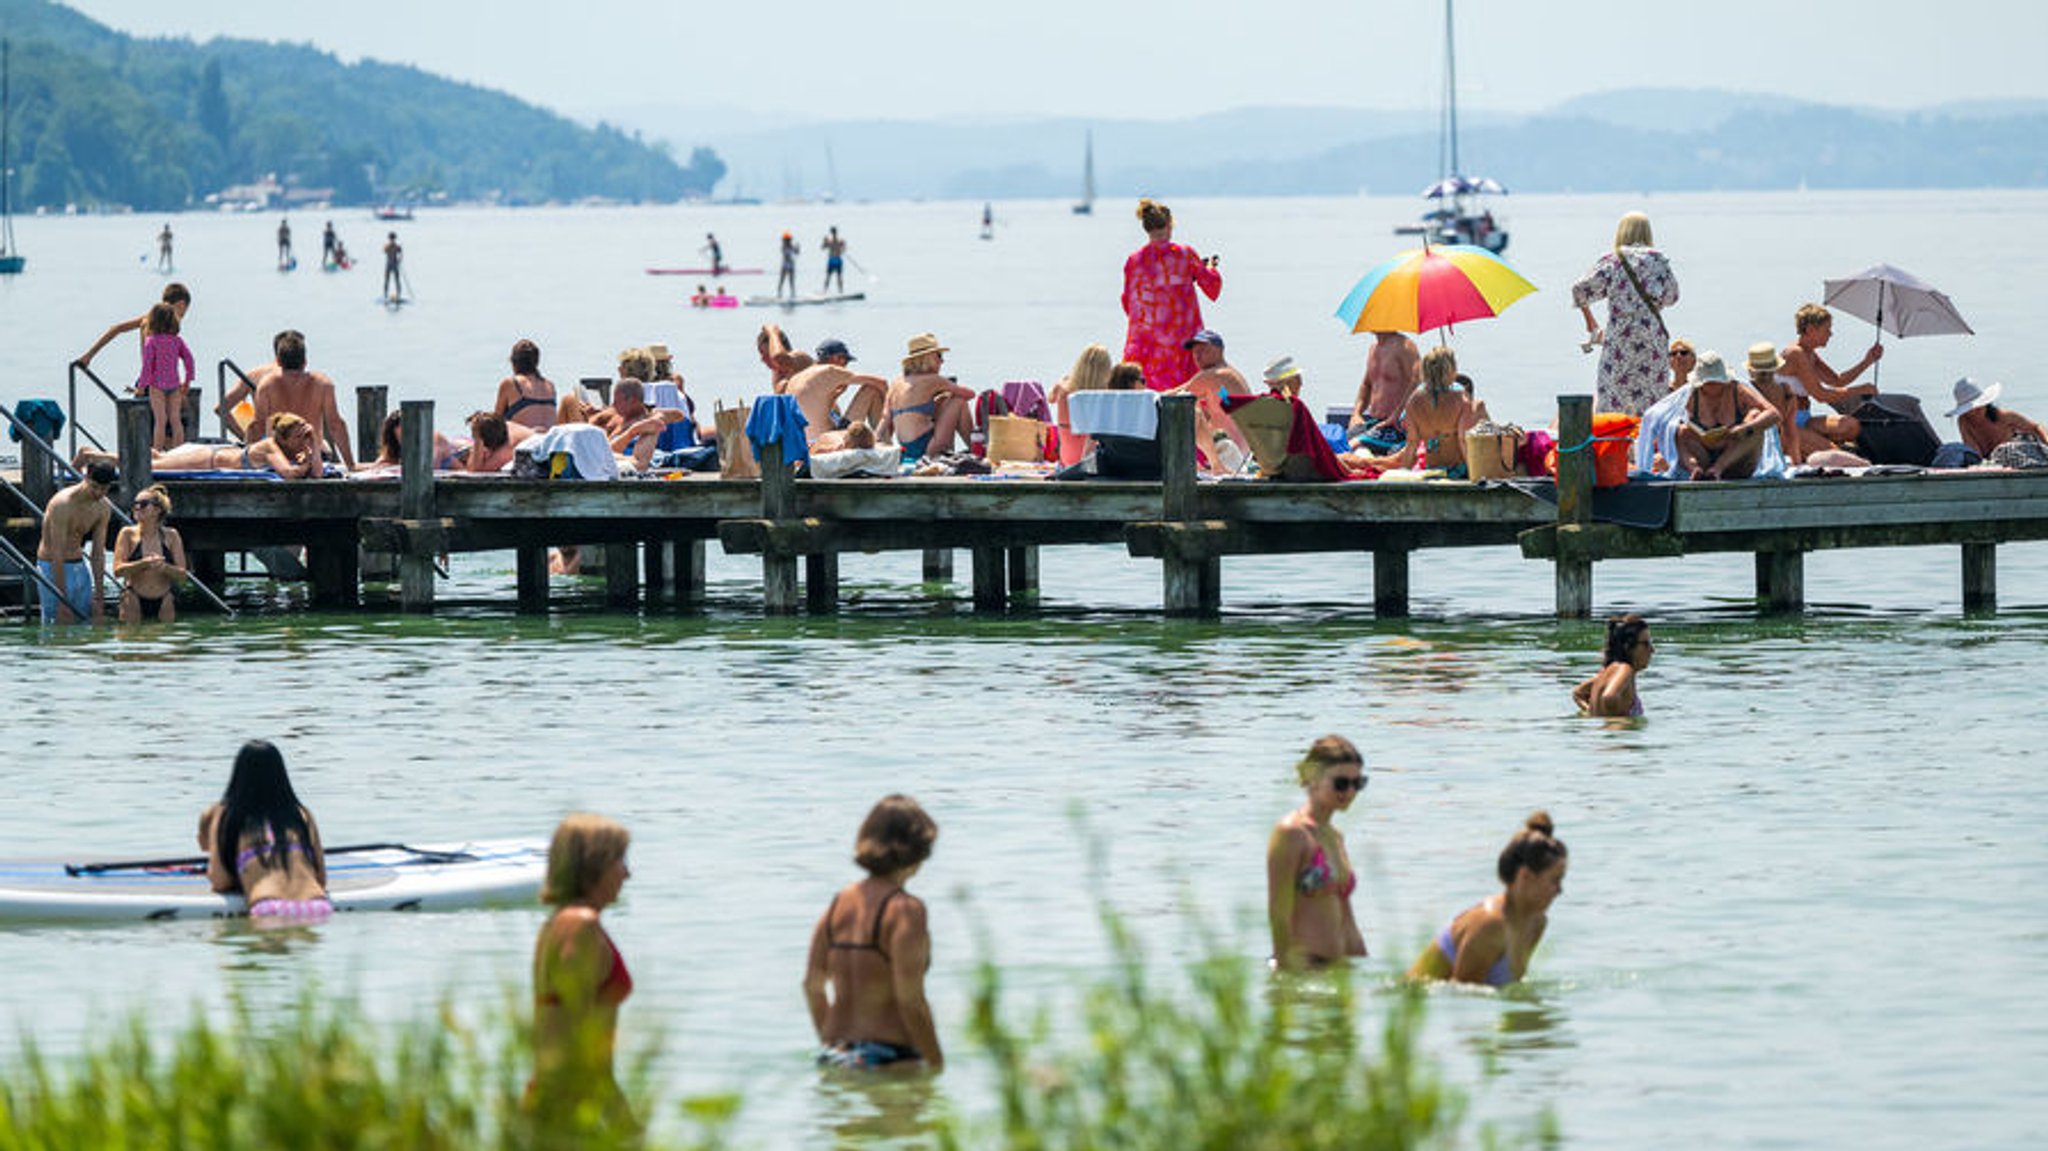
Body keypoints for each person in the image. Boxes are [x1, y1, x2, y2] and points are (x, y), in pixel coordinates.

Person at [804, 795, 943, 1072]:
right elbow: (910, 1000)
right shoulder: (905, 909)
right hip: (891, 1057)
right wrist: (936, 1064)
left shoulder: (838, 904)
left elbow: (812, 986)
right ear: (917, 850)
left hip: (834, 1055)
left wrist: (834, 1043)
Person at [529, 813, 638, 1136]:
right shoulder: (580, 926)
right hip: (568, 1105)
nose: (627, 874)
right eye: (620, 860)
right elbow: (574, 1041)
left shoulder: (558, 923)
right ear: (595, 864)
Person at [1409, 812, 1568, 988]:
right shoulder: (1489, 925)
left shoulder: (1537, 923)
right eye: (1555, 880)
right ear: (1526, 876)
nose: (1560, 890)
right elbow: (1462, 999)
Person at [1265, 735, 1370, 970]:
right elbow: (1278, 914)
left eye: (1358, 783)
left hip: (1341, 969)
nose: (1350, 791)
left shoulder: (1335, 837)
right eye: (1341, 783)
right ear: (1313, 778)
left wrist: (1363, 966)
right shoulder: (1291, 833)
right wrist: (1285, 976)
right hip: (1304, 969)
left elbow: (1346, 915)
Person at [197, 739, 330, 920]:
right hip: (316, 905)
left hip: (269, 907)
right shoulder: (302, 814)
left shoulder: (227, 816)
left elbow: (220, 882)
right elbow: (321, 879)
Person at [1572, 211, 1679, 415]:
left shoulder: (1612, 260)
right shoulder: (1658, 260)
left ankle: (1615, 442)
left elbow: (1579, 290)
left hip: (1619, 338)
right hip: (1651, 339)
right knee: (1652, 400)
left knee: (1615, 398)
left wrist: (1591, 322)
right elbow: (1672, 297)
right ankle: (1648, 443)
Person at [1120, 198, 1222, 393]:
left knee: (1148, 401)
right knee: (1186, 401)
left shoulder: (1134, 261)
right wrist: (1211, 268)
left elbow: (1128, 304)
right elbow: (1212, 288)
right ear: (1169, 225)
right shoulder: (1185, 254)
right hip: (1182, 345)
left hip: (1145, 346)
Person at [1352, 345, 1489, 477]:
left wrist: (1405, 473)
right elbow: (1463, 441)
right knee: (1479, 407)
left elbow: (1412, 445)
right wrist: (1475, 475)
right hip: (1457, 470)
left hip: (1431, 469)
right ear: (1451, 370)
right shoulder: (1462, 400)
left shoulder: (1414, 401)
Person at [76, 412, 327, 479]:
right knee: (155, 464)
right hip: (209, 459)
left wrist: (312, 446)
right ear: (283, 438)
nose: (302, 441)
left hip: (213, 456)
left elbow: (317, 472)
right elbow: (289, 475)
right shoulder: (272, 446)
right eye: (298, 437)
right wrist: (312, 448)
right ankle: (90, 455)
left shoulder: (292, 450)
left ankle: (96, 454)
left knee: (157, 456)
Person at [1777, 303, 1879, 460]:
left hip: (1804, 417)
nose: (1831, 334)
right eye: (1827, 329)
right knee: (1838, 456)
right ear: (1811, 330)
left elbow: (1837, 381)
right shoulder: (1795, 354)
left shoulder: (1809, 353)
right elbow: (1821, 395)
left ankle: (1811, 446)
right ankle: (1814, 447)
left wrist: (1868, 360)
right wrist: (1859, 390)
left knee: (1851, 426)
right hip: (1785, 425)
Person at [251, 330, 355, 469]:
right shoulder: (322, 383)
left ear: (278, 361)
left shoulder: (267, 385)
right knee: (324, 446)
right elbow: (336, 425)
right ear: (305, 362)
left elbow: (257, 426)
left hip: (281, 458)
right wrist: (350, 464)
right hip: (313, 456)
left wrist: (249, 459)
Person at [1671, 351, 1781, 480]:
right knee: (1680, 430)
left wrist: (1745, 428)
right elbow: (1658, 416)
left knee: (1755, 416)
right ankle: (1695, 469)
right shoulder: (1691, 395)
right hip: (1705, 458)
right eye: (1708, 383)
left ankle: (1718, 469)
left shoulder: (1738, 390)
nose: (1712, 387)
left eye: (1716, 382)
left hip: (1737, 460)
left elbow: (1774, 414)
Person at [35, 461, 115, 625]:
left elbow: (98, 553)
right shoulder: (63, 504)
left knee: (85, 625)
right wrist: (61, 598)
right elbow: (58, 552)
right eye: (94, 487)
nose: (98, 493)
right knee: (56, 626)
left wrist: (99, 596)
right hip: (52, 567)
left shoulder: (103, 507)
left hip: (79, 567)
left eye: (104, 489)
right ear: (86, 477)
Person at [881, 333, 975, 460]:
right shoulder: (932, 380)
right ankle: (976, 448)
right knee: (958, 401)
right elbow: (970, 394)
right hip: (927, 447)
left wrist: (876, 442)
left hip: (907, 450)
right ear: (928, 358)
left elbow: (885, 418)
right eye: (939, 356)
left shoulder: (896, 383)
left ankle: (972, 448)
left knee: (943, 400)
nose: (942, 361)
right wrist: (946, 391)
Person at [76, 282, 191, 379]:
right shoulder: (165, 324)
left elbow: (116, 329)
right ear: (181, 305)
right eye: (185, 309)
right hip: (158, 384)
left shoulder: (148, 318)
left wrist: (89, 355)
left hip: (147, 379)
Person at [113, 484, 187, 623]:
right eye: (135, 504)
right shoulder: (127, 534)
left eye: (143, 504)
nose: (137, 508)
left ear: (157, 510)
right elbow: (118, 571)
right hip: (133, 597)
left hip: (164, 598)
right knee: (131, 639)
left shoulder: (171, 536)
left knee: (165, 640)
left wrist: (164, 567)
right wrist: (143, 564)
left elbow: (182, 574)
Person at [137, 301, 196, 451]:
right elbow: (189, 360)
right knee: (176, 420)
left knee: (160, 420)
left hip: (157, 386)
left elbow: (147, 367)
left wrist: (141, 387)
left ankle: (156, 452)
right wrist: (188, 380)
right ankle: (180, 452)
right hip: (174, 385)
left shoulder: (151, 342)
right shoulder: (177, 341)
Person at [1347, 331, 1421, 449]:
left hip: (1397, 426)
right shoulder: (1373, 348)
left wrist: (1397, 415)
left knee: (1353, 446)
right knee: (1339, 444)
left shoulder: (1405, 346)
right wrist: (1356, 414)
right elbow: (1366, 385)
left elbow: (1418, 382)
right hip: (1375, 422)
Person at [1046, 342, 1115, 466]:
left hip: (1067, 460)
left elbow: (1050, 398)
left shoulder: (1063, 388)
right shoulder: (1104, 396)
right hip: (1091, 462)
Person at [1573, 613, 1652, 718]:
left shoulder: (1607, 672)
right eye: (1646, 644)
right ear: (1628, 647)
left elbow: (1578, 693)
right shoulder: (1625, 669)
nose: (1651, 650)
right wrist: (1618, 723)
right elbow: (1609, 696)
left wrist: (1591, 712)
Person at [1948, 378, 2048, 459]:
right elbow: (1974, 452)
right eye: (1970, 410)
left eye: (1978, 408)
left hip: (2017, 458)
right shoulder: (1964, 421)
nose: (1975, 413)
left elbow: (2036, 427)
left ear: (1985, 404)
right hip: (1990, 462)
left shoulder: (2004, 416)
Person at [493, 338, 558, 431]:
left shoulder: (510, 384)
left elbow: (495, 424)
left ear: (513, 362)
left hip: (525, 442)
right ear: (536, 362)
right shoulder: (550, 385)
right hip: (550, 441)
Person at [464, 410, 533, 473]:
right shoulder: (505, 425)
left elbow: (474, 470)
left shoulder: (506, 449)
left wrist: (477, 439)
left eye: (474, 435)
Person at [821, 225, 848, 294]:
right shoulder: (830, 241)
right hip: (832, 260)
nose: (833, 233)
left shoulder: (839, 241)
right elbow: (823, 247)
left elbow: (844, 249)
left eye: (834, 232)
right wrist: (824, 242)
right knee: (829, 277)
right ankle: (825, 291)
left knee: (837, 277)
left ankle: (840, 292)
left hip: (836, 260)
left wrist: (842, 248)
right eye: (833, 232)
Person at [777, 231, 800, 300]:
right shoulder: (784, 246)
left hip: (790, 265)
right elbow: (786, 252)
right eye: (785, 240)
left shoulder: (790, 246)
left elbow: (797, 253)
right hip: (786, 265)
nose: (784, 241)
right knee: (782, 281)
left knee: (791, 282)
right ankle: (779, 295)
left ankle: (792, 295)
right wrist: (795, 248)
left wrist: (797, 248)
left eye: (785, 240)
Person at [381, 231, 403, 302]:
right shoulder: (387, 246)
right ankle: (385, 294)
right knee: (387, 280)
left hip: (395, 264)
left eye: (393, 239)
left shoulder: (397, 247)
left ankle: (399, 294)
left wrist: (399, 260)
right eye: (391, 239)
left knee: (397, 280)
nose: (392, 240)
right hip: (388, 265)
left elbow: (400, 254)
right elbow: (384, 250)